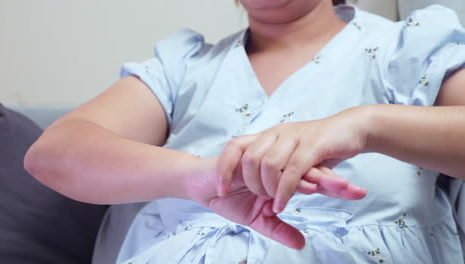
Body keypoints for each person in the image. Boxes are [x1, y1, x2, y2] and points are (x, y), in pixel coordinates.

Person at [24, 0, 465, 263]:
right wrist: (197, 177)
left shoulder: (403, 48)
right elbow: (53, 154)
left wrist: (363, 125)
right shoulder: (184, 68)